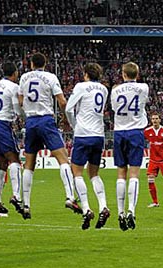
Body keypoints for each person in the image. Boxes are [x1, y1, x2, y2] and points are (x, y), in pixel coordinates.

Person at [18, 52, 80, 219]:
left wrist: (27, 114)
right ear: (45, 64)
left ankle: (26, 204)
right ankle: (70, 196)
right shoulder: (51, 77)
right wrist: (66, 119)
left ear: (31, 64)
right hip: (46, 120)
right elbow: (62, 101)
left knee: (29, 164)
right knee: (63, 159)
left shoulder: (24, 78)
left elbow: (20, 101)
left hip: (31, 122)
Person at [65, 62, 110, 230]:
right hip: (99, 135)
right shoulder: (104, 90)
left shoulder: (81, 87)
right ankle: (103, 206)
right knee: (94, 174)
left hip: (83, 134)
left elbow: (69, 109)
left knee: (76, 172)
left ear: (86, 75)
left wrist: (74, 125)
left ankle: (86, 208)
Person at [111, 62, 149, 231]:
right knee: (134, 174)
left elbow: (114, 108)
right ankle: (131, 211)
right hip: (135, 132)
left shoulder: (115, 90)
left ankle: (120, 212)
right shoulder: (144, 88)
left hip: (119, 132)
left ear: (123, 74)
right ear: (137, 73)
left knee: (121, 173)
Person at [0, 62, 24, 218]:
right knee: (14, 159)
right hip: (2, 125)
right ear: (14, 73)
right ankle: (16, 196)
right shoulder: (13, 87)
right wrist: (23, 115)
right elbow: (17, 109)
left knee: (2, 163)